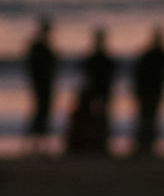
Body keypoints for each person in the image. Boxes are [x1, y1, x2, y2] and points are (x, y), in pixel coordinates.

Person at [131, 26, 164, 156]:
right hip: (150, 90)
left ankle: (146, 146)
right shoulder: (154, 55)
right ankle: (145, 145)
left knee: (147, 118)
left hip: (151, 91)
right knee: (148, 118)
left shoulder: (152, 54)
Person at [65, 28, 115, 155]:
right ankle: (95, 143)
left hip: (99, 90)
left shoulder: (99, 57)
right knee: (96, 118)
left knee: (100, 118)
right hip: (97, 90)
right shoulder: (99, 57)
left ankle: (99, 143)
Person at [23, 17, 58, 155]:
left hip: (45, 83)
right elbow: (32, 66)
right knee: (40, 112)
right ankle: (35, 143)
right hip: (41, 84)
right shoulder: (39, 47)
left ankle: (39, 142)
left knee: (43, 112)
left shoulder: (44, 46)